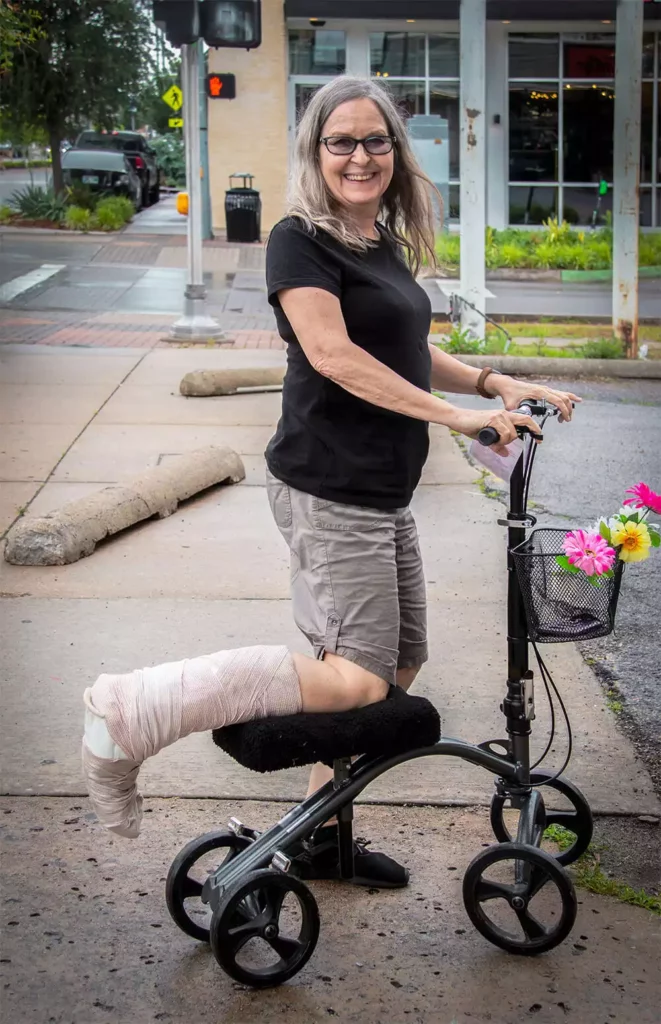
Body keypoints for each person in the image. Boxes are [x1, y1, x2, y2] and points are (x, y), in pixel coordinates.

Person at [263, 75, 580, 888]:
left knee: (397, 664)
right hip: (329, 486)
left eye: (376, 140)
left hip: (380, 488)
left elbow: (405, 347)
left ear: (396, 153)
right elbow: (333, 356)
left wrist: (490, 384)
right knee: (357, 674)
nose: (360, 156)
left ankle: (320, 834)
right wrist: (454, 419)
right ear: (316, 151)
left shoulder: (379, 242)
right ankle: (204, 697)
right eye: (342, 141)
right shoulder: (298, 238)